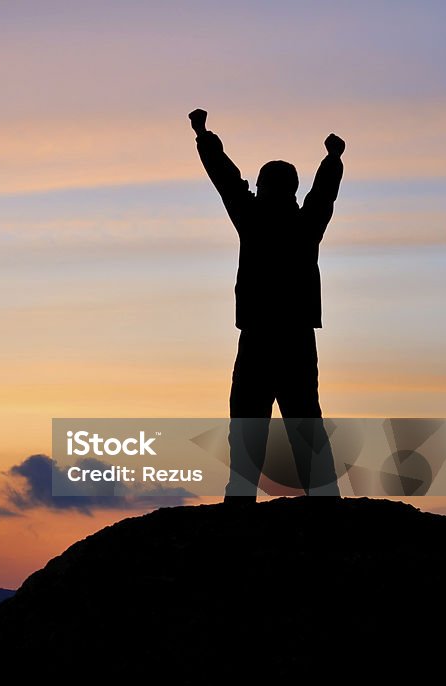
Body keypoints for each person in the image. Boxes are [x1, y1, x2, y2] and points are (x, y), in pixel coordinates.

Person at [189, 108, 343, 500]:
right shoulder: (304, 224)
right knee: (302, 417)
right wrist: (332, 160)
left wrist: (204, 135)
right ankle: (322, 493)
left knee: (249, 417)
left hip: (261, 335)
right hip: (294, 335)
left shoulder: (253, 217)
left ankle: (242, 491)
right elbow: (323, 194)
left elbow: (225, 178)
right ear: (292, 190)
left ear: (262, 187)